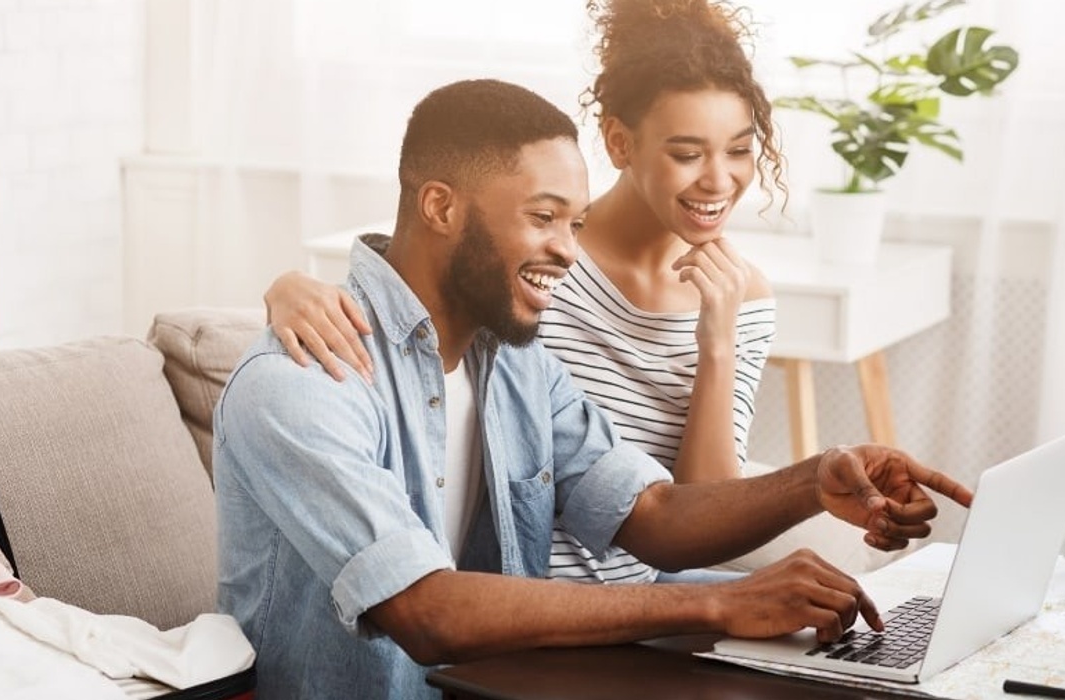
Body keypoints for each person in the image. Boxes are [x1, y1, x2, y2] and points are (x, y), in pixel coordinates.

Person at [214, 77, 972, 700]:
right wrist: (715, 599)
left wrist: (814, 480)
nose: (567, 252)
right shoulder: (304, 383)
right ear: (440, 207)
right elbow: (426, 609)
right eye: (543, 218)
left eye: (575, 223)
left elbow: (651, 514)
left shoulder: (511, 362)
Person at [264, 0, 790, 585]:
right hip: (533, 594)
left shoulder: (738, 295)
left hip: (649, 581)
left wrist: (719, 343)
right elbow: (427, 263)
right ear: (619, 143)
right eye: (688, 154)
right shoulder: (530, 269)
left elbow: (691, 522)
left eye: (741, 150)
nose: (719, 180)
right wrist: (286, 288)